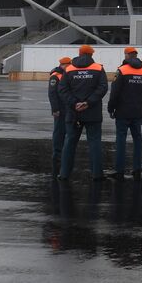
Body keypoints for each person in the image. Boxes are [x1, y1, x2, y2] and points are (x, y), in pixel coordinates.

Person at [57, 44, 108, 182]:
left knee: (69, 143)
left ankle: (64, 174)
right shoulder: (98, 68)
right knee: (95, 143)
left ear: (79, 54)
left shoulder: (69, 69)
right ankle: (97, 174)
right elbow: (103, 88)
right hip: (93, 112)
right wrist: (88, 102)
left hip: (73, 113)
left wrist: (74, 103)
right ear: (91, 55)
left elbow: (62, 90)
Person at [107, 48, 142, 179]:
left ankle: (119, 170)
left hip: (122, 112)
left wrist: (111, 108)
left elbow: (114, 92)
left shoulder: (122, 70)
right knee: (138, 140)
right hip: (137, 112)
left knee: (121, 140)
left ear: (127, 55)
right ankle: (137, 168)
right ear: (136, 56)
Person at [47, 56, 73, 177]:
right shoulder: (55, 76)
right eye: (67, 64)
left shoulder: (67, 74)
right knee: (58, 132)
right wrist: (55, 109)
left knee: (67, 131)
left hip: (68, 108)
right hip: (60, 110)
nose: (69, 66)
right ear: (62, 65)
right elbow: (52, 94)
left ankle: (63, 153)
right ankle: (57, 154)